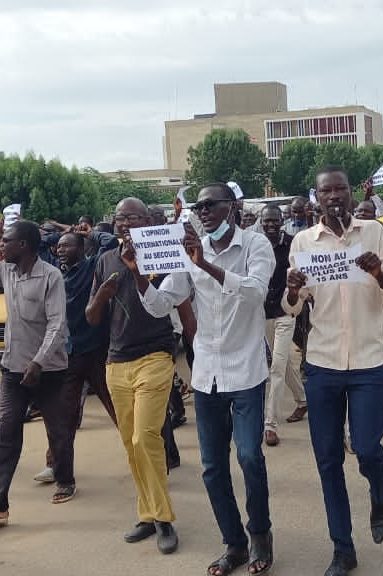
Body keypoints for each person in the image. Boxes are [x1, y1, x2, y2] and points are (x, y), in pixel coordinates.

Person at [126, 183, 275, 576]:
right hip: (207, 372)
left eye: (211, 205)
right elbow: (162, 304)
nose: (204, 212)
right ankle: (234, 544)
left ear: (232, 207)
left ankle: (260, 534)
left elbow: (255, 294)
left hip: (246, 370)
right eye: (199, 207)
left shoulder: (255, 246)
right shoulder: (188, 251)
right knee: (212, 466)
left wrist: (204, 263)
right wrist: (141, 277)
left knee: (248, 456)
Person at [283, 166, 383, 576]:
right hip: (323, 364)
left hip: (369, 361)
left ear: (351, 194)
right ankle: (342, 548)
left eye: (341, 189)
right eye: (326, 191)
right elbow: (293, 307)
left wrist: (378, 272)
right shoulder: (303, 241)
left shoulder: (372, 233)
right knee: (328, 459)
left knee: (369, 448)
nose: (334, 196)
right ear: (316, 198)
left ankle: (379, 492)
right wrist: (293, 288)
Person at [85, 198, 181, 555]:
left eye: (133, 217)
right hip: (116, 361)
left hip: (155, 355)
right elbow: (92, 316)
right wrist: (102, 296)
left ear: (147, 220)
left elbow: (178, 301)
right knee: (130, 444)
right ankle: (147, 513)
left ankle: (163, 519)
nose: (125, 222)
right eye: (120, 217)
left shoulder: (163, 252)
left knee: (145, 438)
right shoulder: (104, 260)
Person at [34, 225, 119, 488]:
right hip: (67, 355)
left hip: (97, 351)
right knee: (62, 417)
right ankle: (56, 468)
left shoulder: (93, 267)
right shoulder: (52, 272)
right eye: (58, 246)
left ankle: (152, 455)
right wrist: (58, 234)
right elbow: (38, 246)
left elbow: (110, 241)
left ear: (82, 250)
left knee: (120, 408)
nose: (61, 250)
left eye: (67, 245)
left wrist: (88, 231)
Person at [0, 220, 69, 526]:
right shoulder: (6, 271)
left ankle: (65, 478)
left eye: (6, 241)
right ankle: (1, 501)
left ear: (24, 245)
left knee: (58, 430)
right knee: (6, 431)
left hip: (48, 370)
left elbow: (57, 325)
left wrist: (39, 362)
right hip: (13, 367)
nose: (2, 246)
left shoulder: (51, 276)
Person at [261, 205, 307, 447]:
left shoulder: (292, 243)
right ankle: (302, 399)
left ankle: (270, 425)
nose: (270, 224)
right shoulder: (256, 244)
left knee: (276, 367)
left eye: (274, 220)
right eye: (266, 221)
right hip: (263, 313)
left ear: (282, 220)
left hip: (286, 311)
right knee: (283, 362)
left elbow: (303, 271)